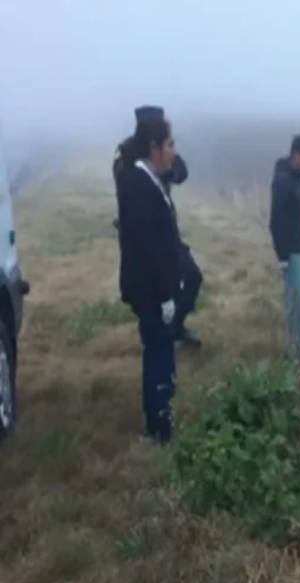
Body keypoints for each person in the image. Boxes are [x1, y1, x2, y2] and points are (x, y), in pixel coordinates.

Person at [112, 105, 203, 348]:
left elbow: (182, 172)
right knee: (152, 287)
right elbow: (128, 190)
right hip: (144, 231)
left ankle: (175, 327)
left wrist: (165, 170)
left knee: (191, 277)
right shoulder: (127, 159)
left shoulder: (162, 151)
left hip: (164, 227)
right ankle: (158, 332)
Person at [116, 115, 182, 443]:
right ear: (154, 147)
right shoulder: (138, 185)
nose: (174, 152)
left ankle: (163, 419)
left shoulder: (151, 180)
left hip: (158, 289)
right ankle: (158, 428)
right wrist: (164, 294)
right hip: (151, 291)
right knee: (157, 355)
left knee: (162, 352)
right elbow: (147, 247)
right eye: (169, 145)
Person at [270, 134, 300, 362]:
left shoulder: (296, 178)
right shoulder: (283, 181)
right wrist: (282, 257)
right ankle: (294, 356)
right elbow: (276, 221)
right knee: (296, 307)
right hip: (291, 253)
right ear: (296, 155)